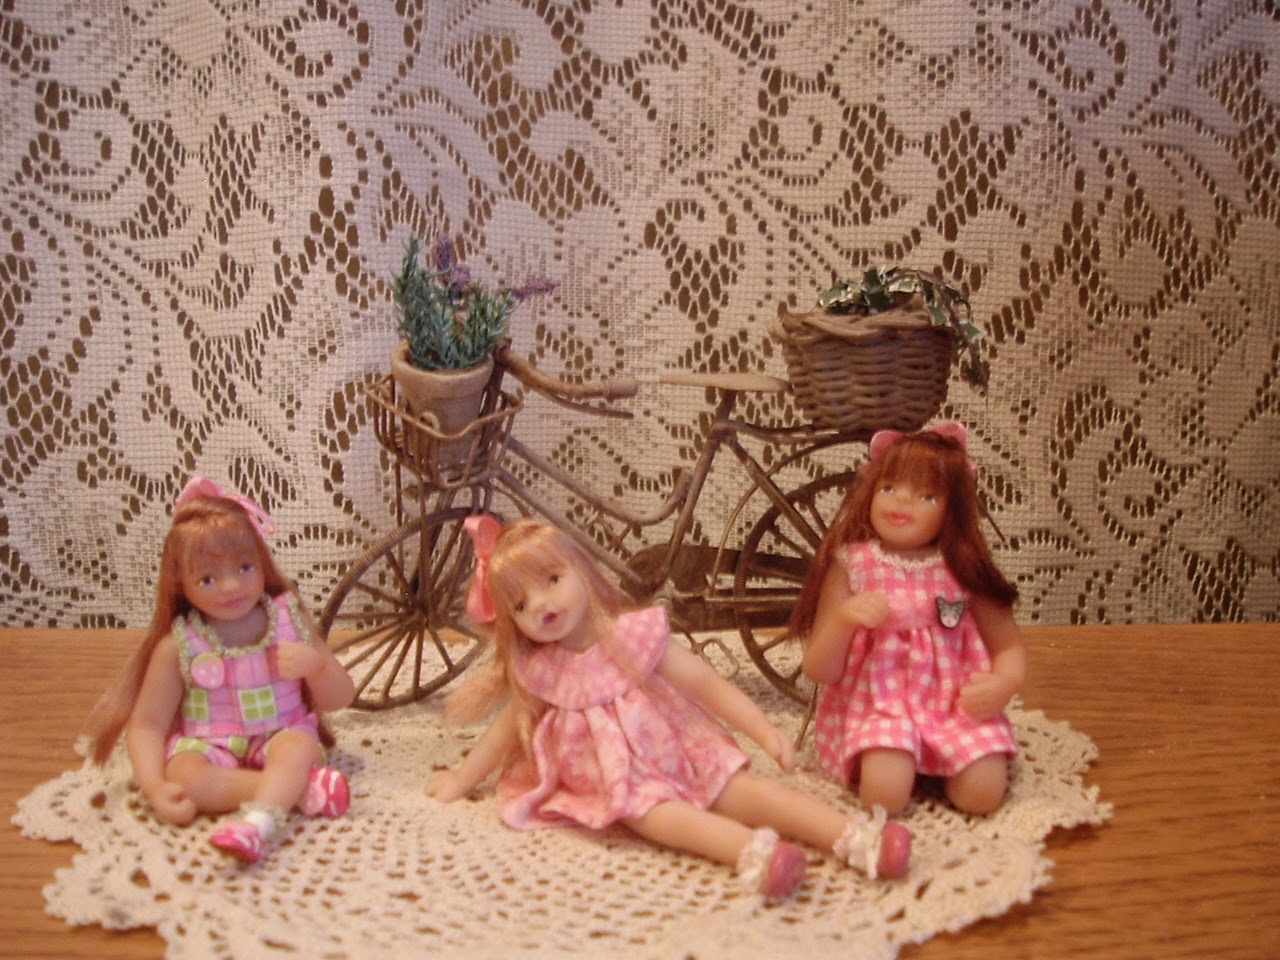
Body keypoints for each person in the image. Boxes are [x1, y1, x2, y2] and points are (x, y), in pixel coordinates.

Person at [425, 517, 911, 898]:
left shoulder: (632, 636)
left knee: (747, 792)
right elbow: (505, 732)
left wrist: (763, 730)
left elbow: (704, 684)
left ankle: (853, 836)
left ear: (583, 572)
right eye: (520, 606)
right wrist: (463, 779)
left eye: (552, 579)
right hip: (621, 777)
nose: (541, 604)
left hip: (682, 748)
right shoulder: (542, 671)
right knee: (662, 819)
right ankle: (755, 854)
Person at [85, 476, 357, 864]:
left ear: (262, 563)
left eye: (245, 567)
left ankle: (256, 826)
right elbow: (147, 725)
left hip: (281, 732)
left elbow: (341, 696)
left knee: (297, 749)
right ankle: (298, 790)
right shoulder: (179, 645)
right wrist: (155, 785)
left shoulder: (288, 621)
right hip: (211, 742)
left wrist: (316, 667)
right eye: (208, 578)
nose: (230, 587)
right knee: (187, 779)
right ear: (180, 584)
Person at [789, 422, 1027, 816]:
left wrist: (1004, 683)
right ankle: (900, 758)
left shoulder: (963, 568)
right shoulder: (854, 564)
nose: (901, 501)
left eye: (926, 496)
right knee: (885, 793)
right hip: (880, 707)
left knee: (982, 795)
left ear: (952, 510)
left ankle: (945, 759)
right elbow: (819, 669)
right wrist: (844, 620)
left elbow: (1008, 646)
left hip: (956, 706)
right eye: (888, 488)